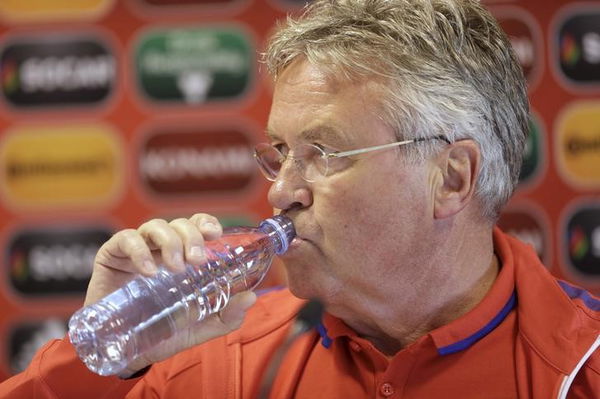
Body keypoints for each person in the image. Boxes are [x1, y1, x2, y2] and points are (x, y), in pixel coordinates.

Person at [1, 0, 599, 397]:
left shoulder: (583, 365)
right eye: (281, 152)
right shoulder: (219, 359)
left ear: (450, 179)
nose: (281, 190)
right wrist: (103, 355)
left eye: (325, 154)